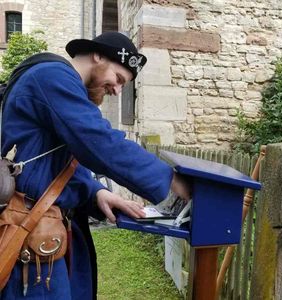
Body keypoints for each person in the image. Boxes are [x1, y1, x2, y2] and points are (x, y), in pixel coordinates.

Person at [0, 32, 191, 299]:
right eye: (118, 78)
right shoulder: (53, 77)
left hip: (47, 231)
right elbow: (98, 141)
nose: (117, 90)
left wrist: (96, 192)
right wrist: (172, 180)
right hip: (30, 236)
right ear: (98, 55)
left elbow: (57, 159)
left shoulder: (63, 85)